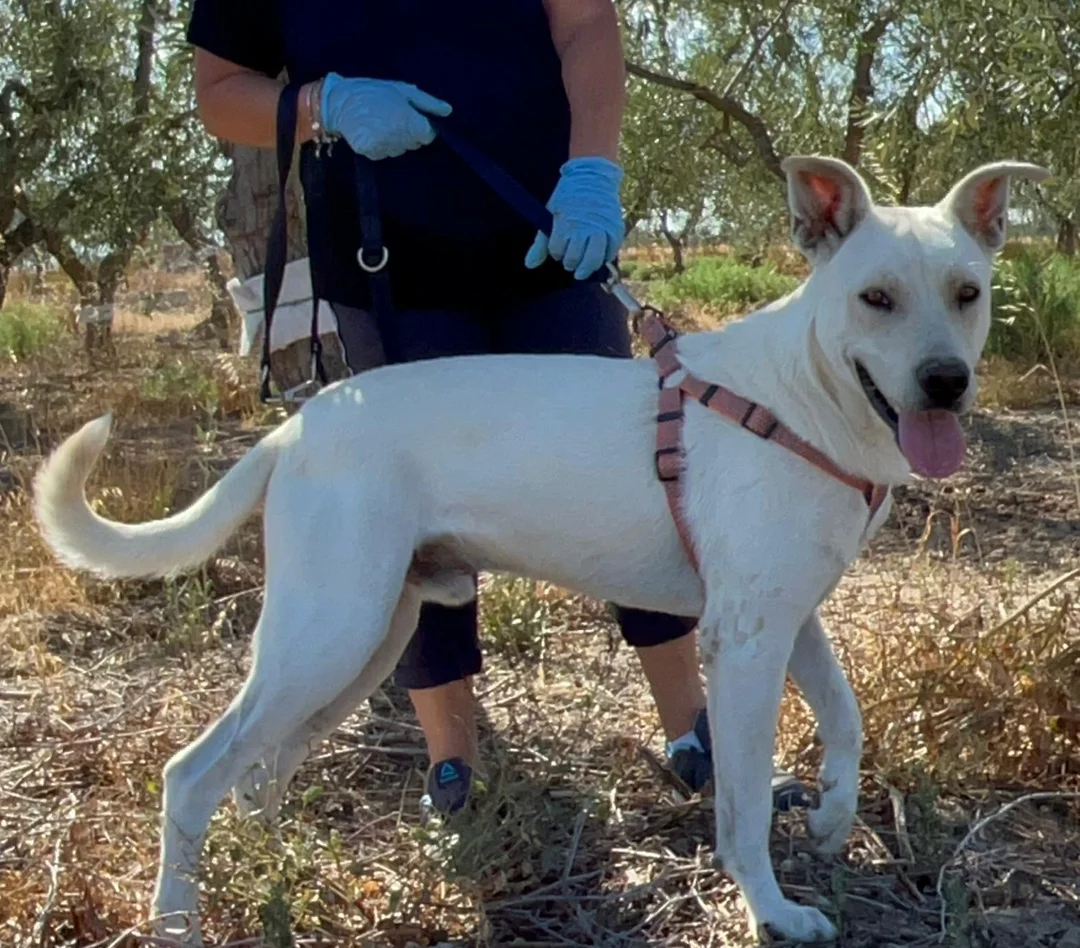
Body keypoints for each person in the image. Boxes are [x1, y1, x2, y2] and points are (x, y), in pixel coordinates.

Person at [186, 0, 801, 816]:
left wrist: (593, 171)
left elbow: (585, 24)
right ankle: (455, 769)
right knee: (412, 514)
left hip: (548, 233)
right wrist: (319, 103)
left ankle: (694, 732)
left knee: (633, 485)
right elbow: (220, 92)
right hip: (385, 266)